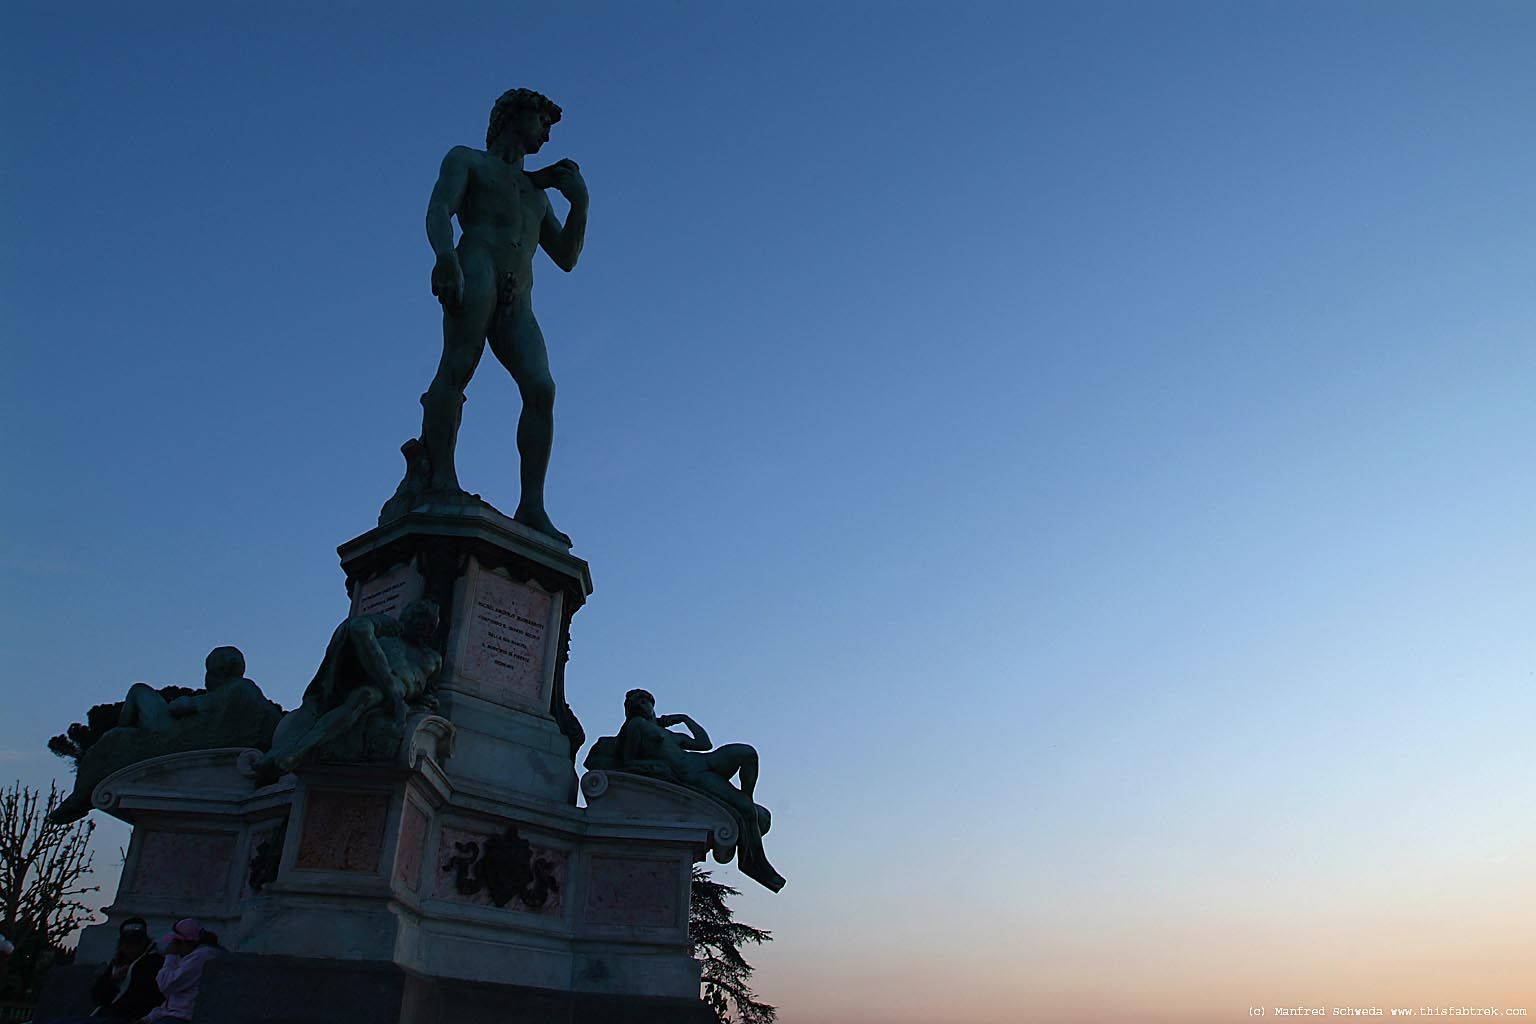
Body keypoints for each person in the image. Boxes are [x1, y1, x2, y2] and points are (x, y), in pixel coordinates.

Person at [384, 87, 589, 545]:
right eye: (542, 121)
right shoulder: (469, 160)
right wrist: (444, 257)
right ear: (513, 117)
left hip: (520, 294)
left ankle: (531, 506)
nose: (547, 133)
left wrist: (580, 203)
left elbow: (567, 256)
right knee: (457, 367)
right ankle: (440, 476)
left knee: (541, 387)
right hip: (476, 266)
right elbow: (440, 207)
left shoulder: (538, 193)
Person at [614, 689, 785, 892]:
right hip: (694, 776)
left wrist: (685, 718)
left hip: (705, 761)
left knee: (747, 753)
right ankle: (754, 863)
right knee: (746, 808)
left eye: (644, 700)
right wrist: (655, 767)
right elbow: (628, 761)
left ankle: (745, 809)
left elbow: (705, 743)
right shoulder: (636, 726)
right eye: (635, 702)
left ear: (653, 704)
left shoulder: (669, 734)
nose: (640, 704)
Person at [253, 599, 442, 781]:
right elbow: (359, 628)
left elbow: (428, 690)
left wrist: (423, 700)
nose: (415, 624)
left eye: (423, 623)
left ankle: (297, 751)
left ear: (429, 629)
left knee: (365, 696)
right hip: (378, 686)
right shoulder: (390, 636)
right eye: (413, 618)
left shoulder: (433, 658)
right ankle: (297, 751)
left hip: (395, 693)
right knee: (364, 696)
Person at [142, 919, 223, 1024]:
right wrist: (148, 1018)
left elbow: (166, 985)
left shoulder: (201, 957)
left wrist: (170, 956)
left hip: (182, 1020)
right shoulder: (194, 957)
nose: (177, 948)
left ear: (186, 942)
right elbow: (172, 1002)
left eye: (177, 943)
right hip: (174, 1017)